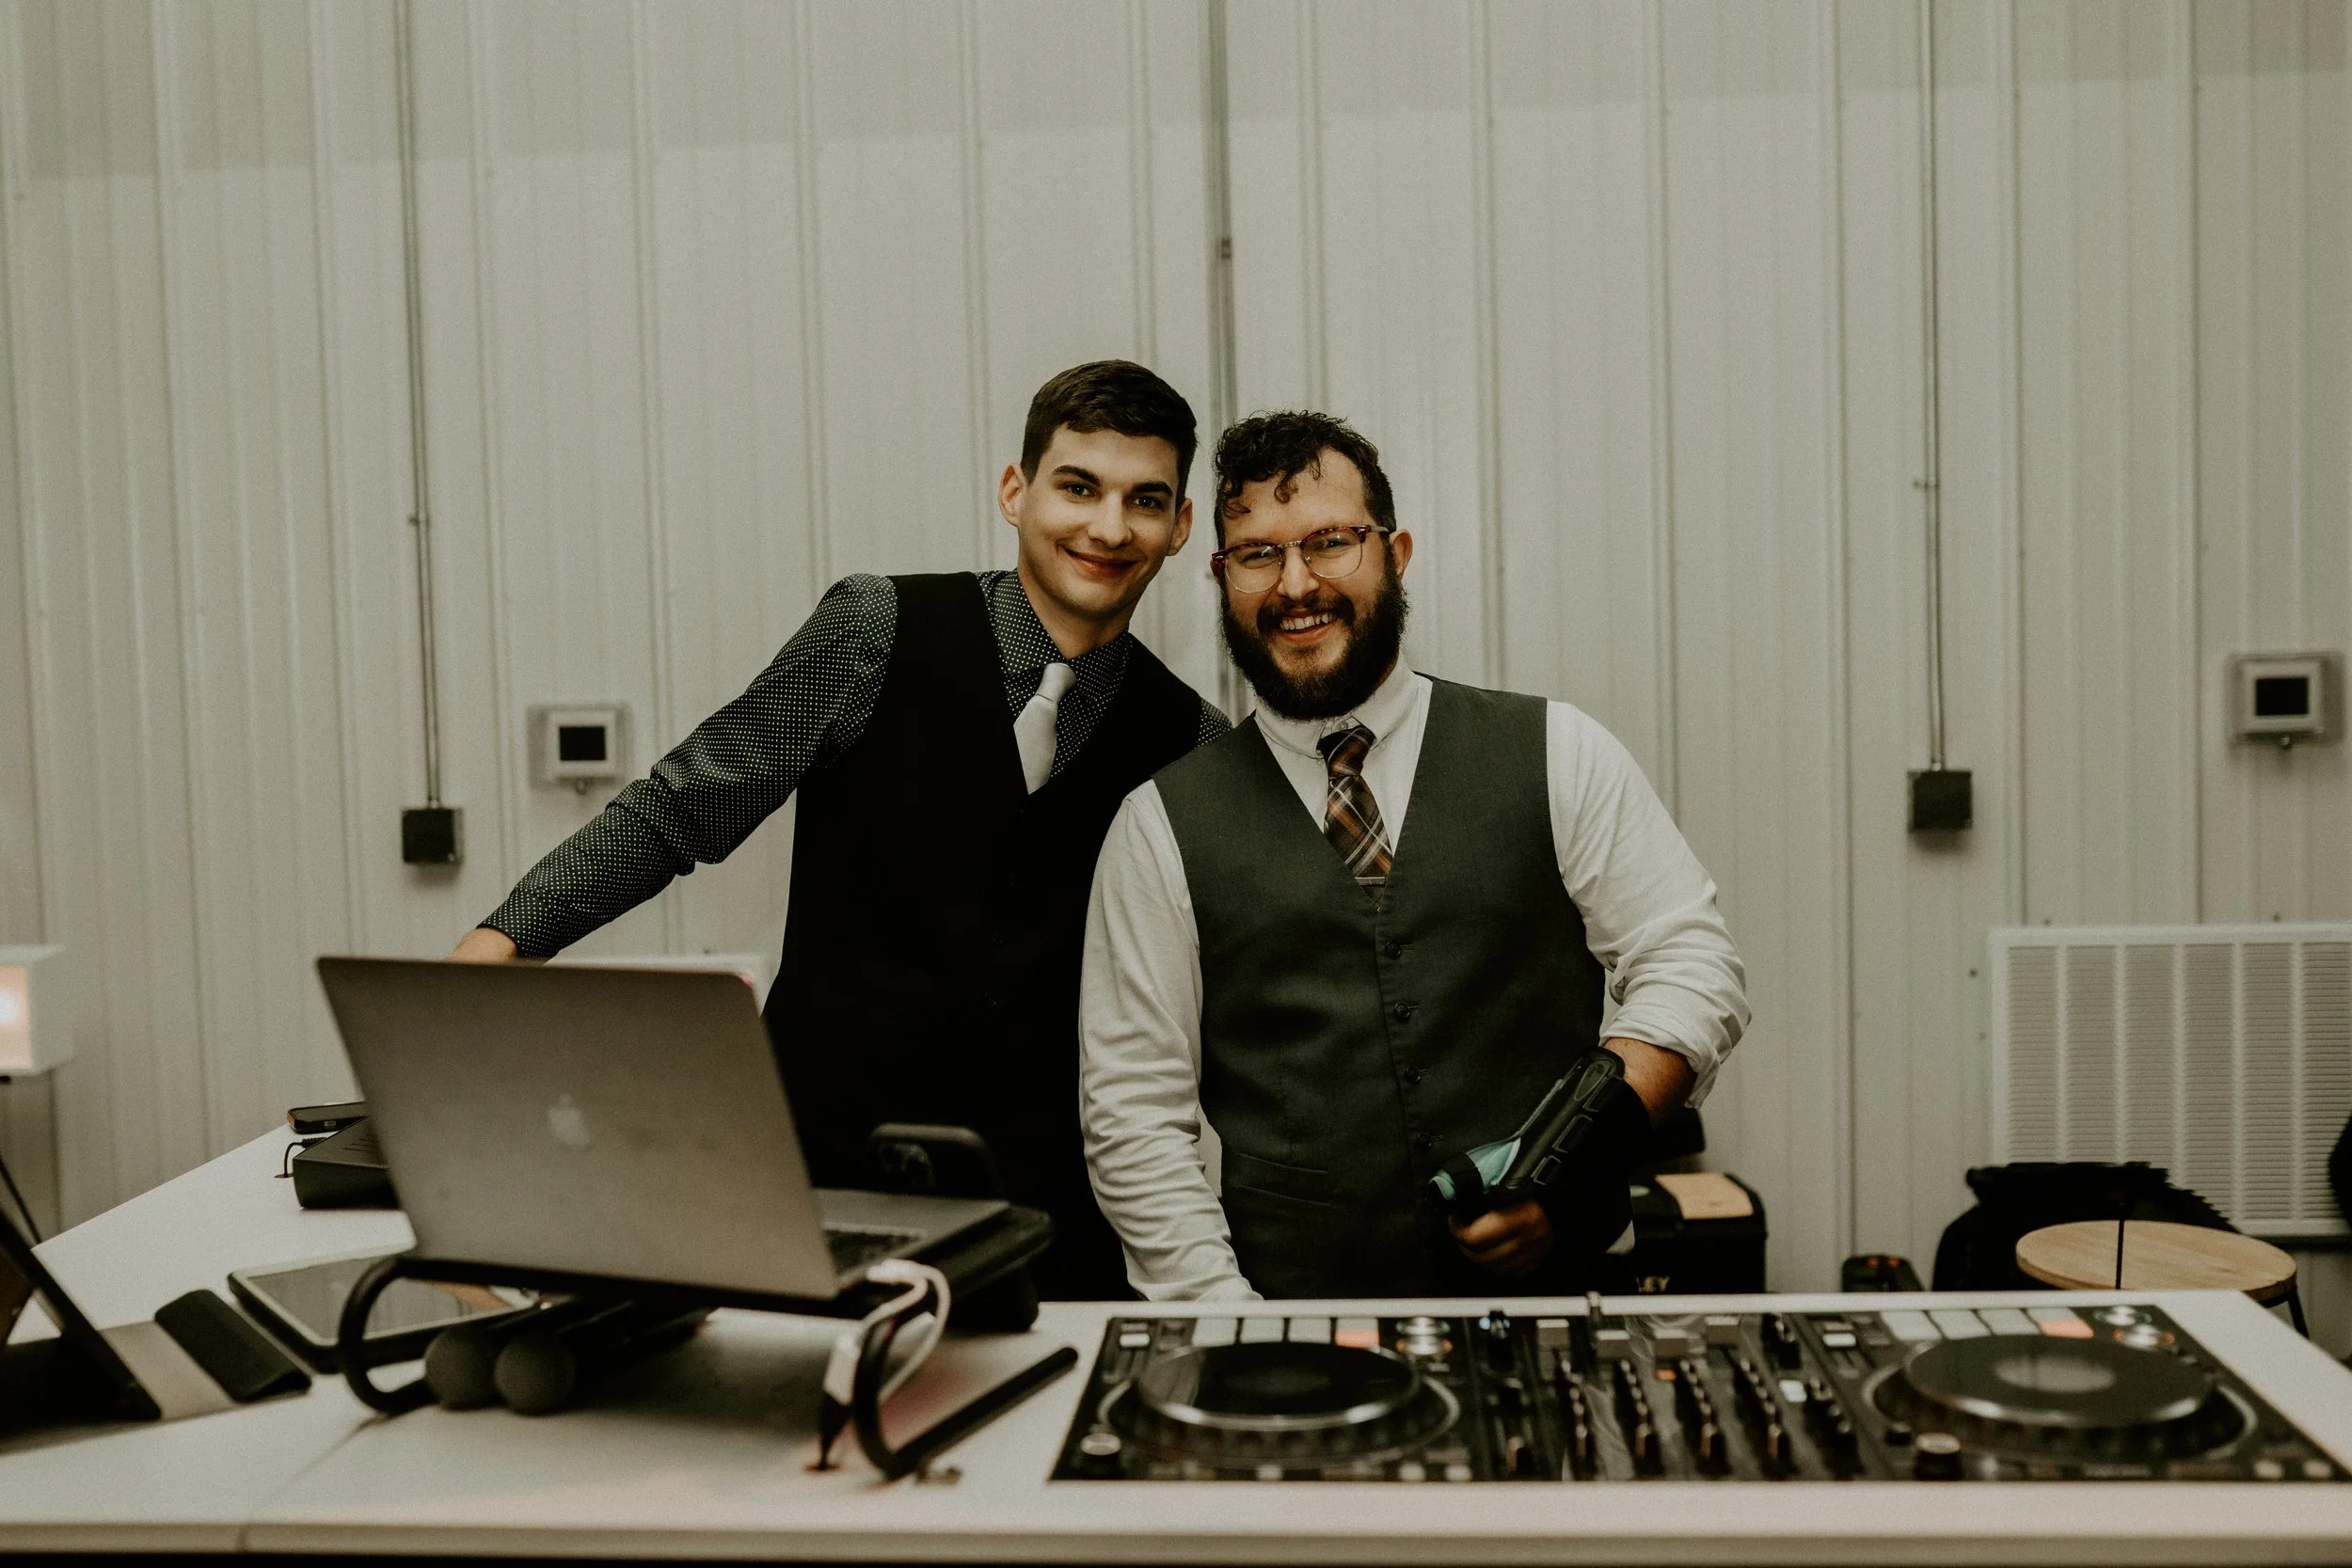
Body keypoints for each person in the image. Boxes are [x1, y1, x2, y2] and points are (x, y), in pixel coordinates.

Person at [452, 360, 1227, 1299]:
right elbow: (680, 808)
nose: (1108, 527)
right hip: (813, 1189)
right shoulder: (877, 629)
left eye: (1145, 499)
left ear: (1180, 526)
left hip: (1048, 1231)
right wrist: (496, 950)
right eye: (1078, 487)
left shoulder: (1189, 741)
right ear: (1014, 491)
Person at [1079, 410, 1748, 1300]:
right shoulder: (1158, 824)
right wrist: (1228, 1323)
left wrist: (1573, 1162)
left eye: (1329, 542)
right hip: (1294, 1343)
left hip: (1553, 1316)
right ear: (1221, 575)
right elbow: (1133, 1120)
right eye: (1258, 554)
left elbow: (1693, 966)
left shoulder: (1559, 750)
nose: (1295, 583)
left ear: (1394, 552)